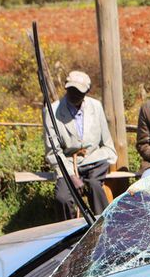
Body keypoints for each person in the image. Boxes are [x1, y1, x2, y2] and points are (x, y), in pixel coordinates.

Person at [45, 70, 117, 217]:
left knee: (95, 186)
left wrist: (106, 159)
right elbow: (53, 152)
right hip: (69, 163)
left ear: (86, 92)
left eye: (79, 91)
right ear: (66, 88)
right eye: (71, 90)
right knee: (63, 198)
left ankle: (104, 226)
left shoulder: (95, 107)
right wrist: (72, 176)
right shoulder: (52, 111)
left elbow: (107, 143)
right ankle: (69, 233)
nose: (74, 94)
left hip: (95, 161)